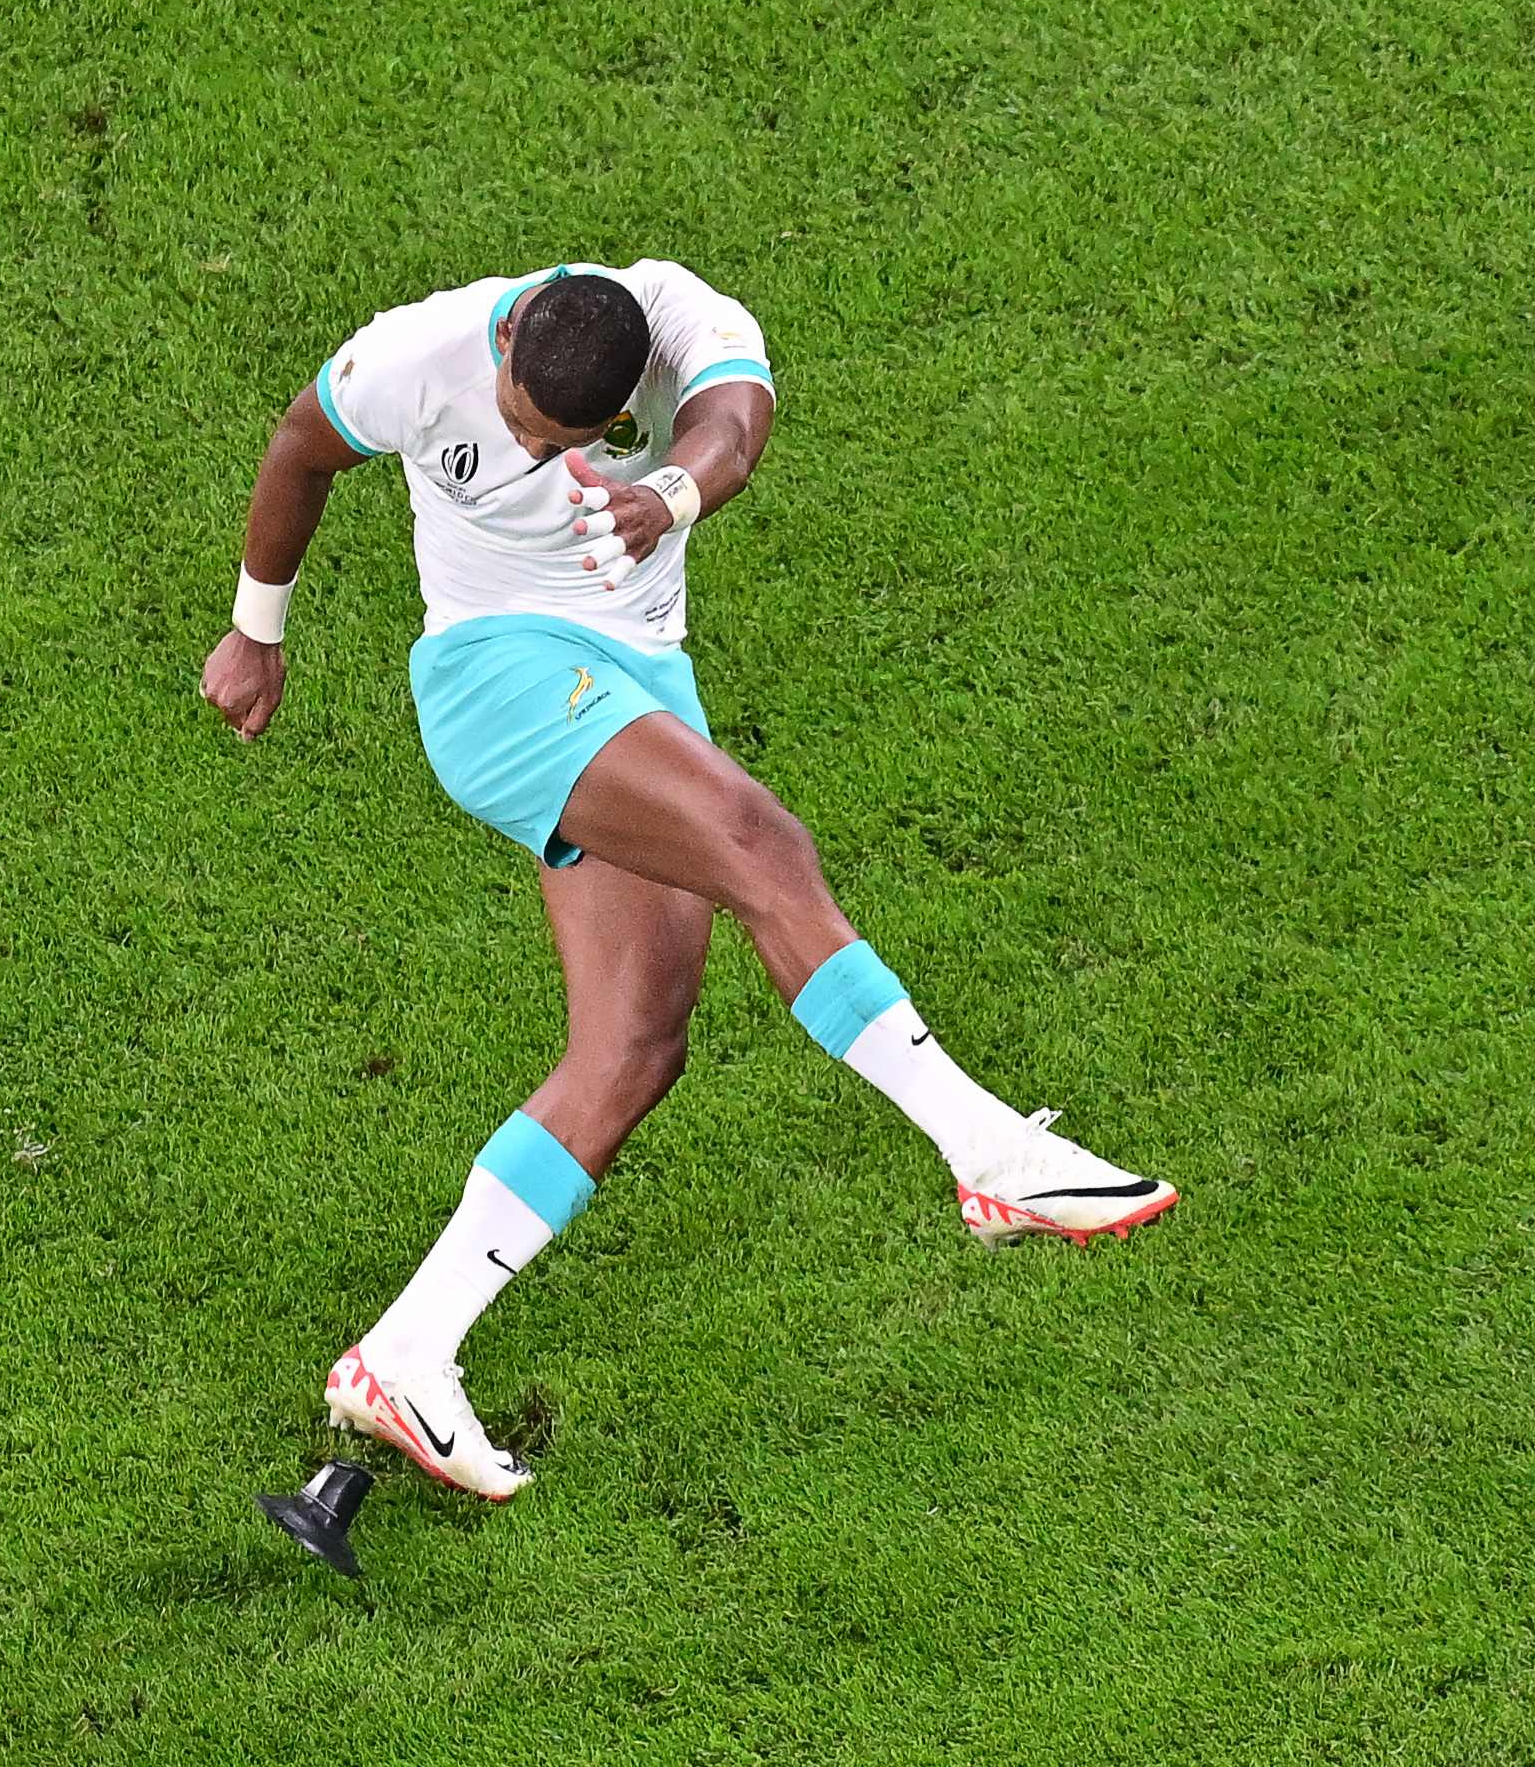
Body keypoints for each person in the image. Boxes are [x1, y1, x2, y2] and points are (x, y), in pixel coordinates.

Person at [200, 262, 1174, 1500]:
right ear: (504, 341)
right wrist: (257, 628)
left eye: (557, 441)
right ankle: (987, 1151)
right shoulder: (417, 352)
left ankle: (405, 1353)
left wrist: (670, 495)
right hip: (498, 678)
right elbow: (300, 446)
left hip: (639, 678)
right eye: (512, 416)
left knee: (635, 1043)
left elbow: (735, 428)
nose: (522, 447)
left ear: (615, 416)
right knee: (764, 846)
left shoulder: (685, 318)